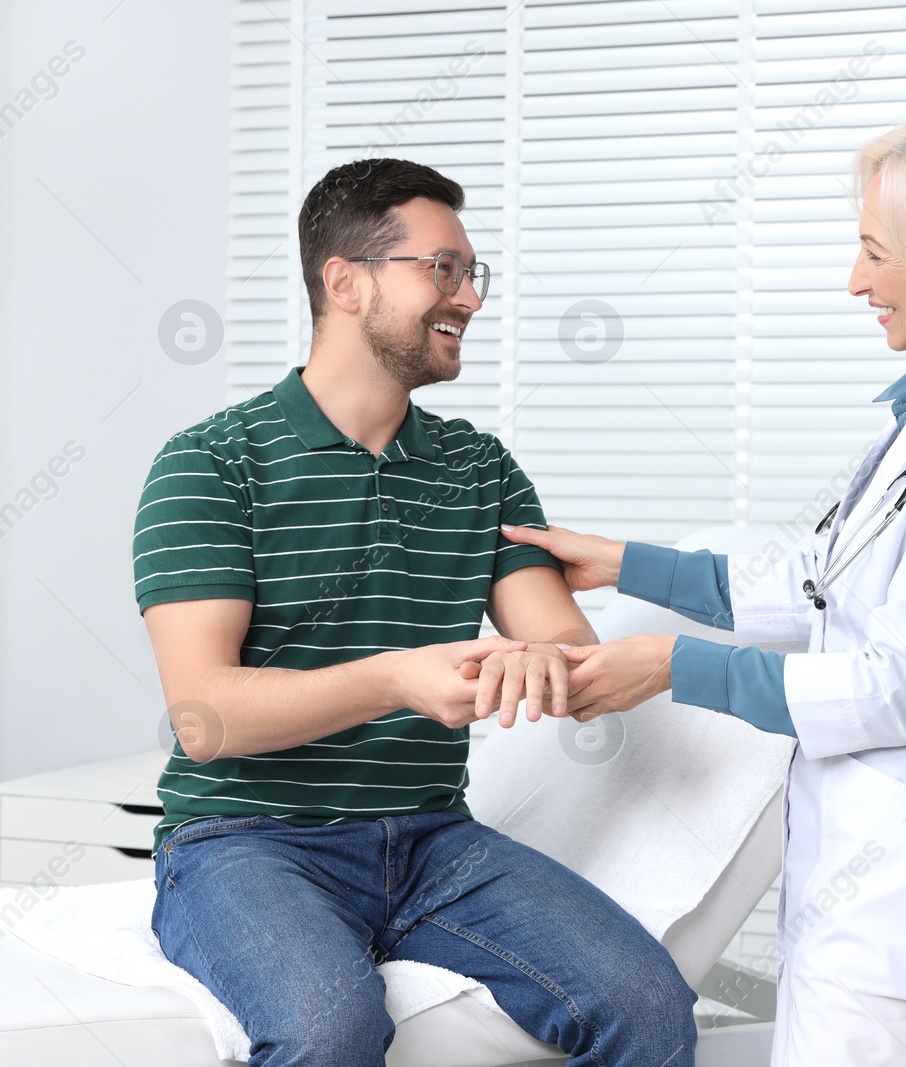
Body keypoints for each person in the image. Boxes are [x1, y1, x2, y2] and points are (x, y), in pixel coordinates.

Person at [505, 115, 906, 1065]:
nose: (855, 280)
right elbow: (831, 580)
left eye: (875, 253)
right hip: (865, 882)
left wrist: (674, 666)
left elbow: (898, 683)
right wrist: (627, 563)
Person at [133, 158, 696, 1066]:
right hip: (246, 841)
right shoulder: (212, 463)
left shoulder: (477, 467)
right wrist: (398, 677)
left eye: (474, 274)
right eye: (444, 269)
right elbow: (207, 714)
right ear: (346, 282)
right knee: (330, 1030)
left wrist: (543, 663)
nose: (470, 297)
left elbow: (562, 642)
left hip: (434, 839)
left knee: (647, 1003)